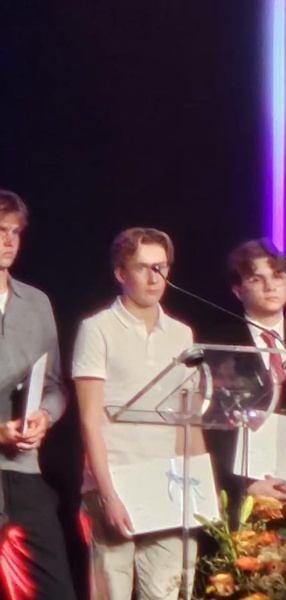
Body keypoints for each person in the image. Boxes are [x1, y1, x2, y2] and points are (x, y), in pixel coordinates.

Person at [73, 228, 203, 599]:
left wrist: (199, 491)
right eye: (142, 267)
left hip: (167, 485)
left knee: (168, 591)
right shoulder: (97, 329)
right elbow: (90, 420)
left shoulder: (182, 334)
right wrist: (107, 495)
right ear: (120, 273)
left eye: (160, 267)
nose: (154, 277)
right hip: (114, 481)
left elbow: (189, 419)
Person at [0, 190, 76, 599]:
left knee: (56, 589)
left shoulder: (36, 302)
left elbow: (55, 386)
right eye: (0, 230)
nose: (9, 240)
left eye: (15, 232)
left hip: (25, 470)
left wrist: (44, 415)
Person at [202, 238, 286, 526]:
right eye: (257, 279)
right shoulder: (217, 347)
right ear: (237, 289)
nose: (271, 287)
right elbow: (211, 428)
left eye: (278, 276)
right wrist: (245, 485)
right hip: (242, 494)